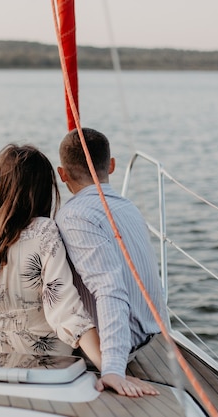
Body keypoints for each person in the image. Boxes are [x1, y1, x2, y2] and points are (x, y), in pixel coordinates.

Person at [0, 144, 104, 374]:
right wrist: (109, 370)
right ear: (42, 190)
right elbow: (66, 311)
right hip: (45, 358)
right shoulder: (44, 231)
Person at [55, 127, 168, 396]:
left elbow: (109, 289)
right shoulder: (128, 207)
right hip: (151, 336)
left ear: (62, 174)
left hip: (120, 348)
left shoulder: (74, 217)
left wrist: (113, 369)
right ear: (113, 165)